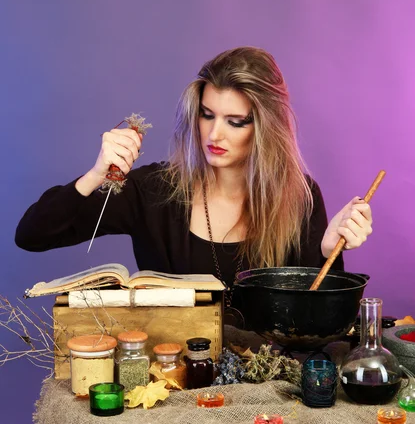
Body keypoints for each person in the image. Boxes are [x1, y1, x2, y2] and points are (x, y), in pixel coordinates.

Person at [15, 47, 373, 304]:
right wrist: (96, 174)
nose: (214, 135)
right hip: (172, 385)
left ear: (265, 128)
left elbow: (311, 321)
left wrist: (327, 251)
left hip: (266, 397)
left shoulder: (300, 197)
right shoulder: (155, 191)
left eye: (235, 122)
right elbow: (32, 235)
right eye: (207, 115)